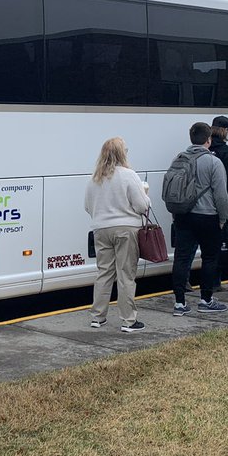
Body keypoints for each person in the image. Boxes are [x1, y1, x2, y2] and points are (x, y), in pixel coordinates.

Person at [84, 137, 150, 332]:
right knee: (125, 274)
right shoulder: (129, 175)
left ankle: (97, 317)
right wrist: (146, 195)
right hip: (126, 229)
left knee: (104, 273)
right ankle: (128, 320)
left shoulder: (94, 178)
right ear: (122, 154)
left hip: (101, 229)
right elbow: (142, 206)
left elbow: (87, 206)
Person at [170, 122, 228, 315]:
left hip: (183, 216)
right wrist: (223, 218)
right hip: (207, 216)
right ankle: (206, 299)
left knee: (181, 258)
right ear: (209, 139)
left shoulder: (178, 159)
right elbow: (221, 195)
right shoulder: (213, 162)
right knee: (210, 258)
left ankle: (179, 303)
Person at [209, 115, 228, 290]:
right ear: (225, 130)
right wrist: (226, 206)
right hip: (217, 205)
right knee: (217, 244)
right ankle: (215, 282)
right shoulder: (226, 151)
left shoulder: (205, 148)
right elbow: (227, 180)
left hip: (200, 205)